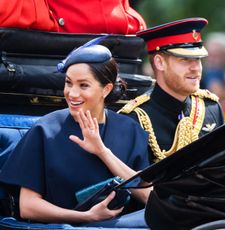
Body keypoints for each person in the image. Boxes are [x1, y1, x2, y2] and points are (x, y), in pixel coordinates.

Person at [0, 36, 151, 227]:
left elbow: (147, 196)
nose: (72, 93)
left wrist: (102, 152)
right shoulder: (46, 129)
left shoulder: (129, 130)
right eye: (68, 83)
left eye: (83, 85)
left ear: (106, 89)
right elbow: (28, 206)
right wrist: (86, 217)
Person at [119, 17, 225, 163]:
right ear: (159, 62)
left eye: (198, 59)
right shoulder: (135, 120)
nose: (195, 68)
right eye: (185, 60)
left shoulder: (211, 108)